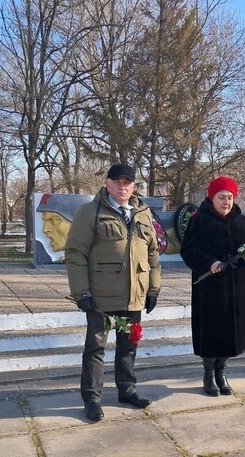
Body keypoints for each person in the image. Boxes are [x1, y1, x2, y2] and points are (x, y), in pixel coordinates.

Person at [65, 163, 161, 422]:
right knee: (95, 348)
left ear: (133, 186)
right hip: (101, 297)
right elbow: (75, 253)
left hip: (134, 295)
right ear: (107, 183)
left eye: (127, 182)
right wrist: (81, 292)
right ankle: (92, 398)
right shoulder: (90, 212)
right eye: (117, 181)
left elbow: (152, 252)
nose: (123, 186)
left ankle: (127, 389)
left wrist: (153, 288)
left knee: (129, 345)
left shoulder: (143, 213)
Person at [180, 176, 245, 396]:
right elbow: (189, 251)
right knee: (212, 329)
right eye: (222, 197)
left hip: (235, 284)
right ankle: (208, 373)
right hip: (210, 287)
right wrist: (209, 263)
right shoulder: (199, 220)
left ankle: (221, 372)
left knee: (231, 329)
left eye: (230, 197)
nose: (226, 202)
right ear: (211, 197)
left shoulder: (240, 220)